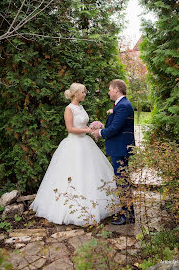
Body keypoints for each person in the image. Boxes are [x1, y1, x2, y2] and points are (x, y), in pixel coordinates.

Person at [30, 83, 118, 226]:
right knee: (72, 173)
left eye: (84, 92)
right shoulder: (69, 109)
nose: (84, 94)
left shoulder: (81, 107)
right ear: (76, 94)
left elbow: (82, 125)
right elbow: (70, 129)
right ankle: (71, 211)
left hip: (86, 143)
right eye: (83, 92)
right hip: (73, 144)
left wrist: (92, 127)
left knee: (90, 174)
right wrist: (88, 131)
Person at [92, 79, 135, 225]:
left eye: (110, 89)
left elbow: (115, 129)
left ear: (117, 89)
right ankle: (127, 212)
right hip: (119, 148)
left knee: (122, 181)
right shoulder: (120, 106)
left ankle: (127, 215)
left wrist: (100, 132)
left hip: (120, 149)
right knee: (122, 180)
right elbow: (117, 125)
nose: (109, 92)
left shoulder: (123, 106)